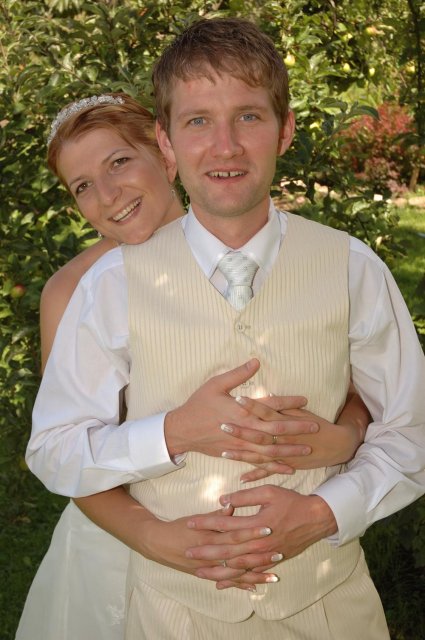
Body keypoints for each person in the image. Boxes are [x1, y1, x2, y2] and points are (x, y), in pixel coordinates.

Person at [25, 16, 425, 638]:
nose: (226, 146)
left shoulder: (352, 269)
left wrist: (326, 511)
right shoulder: (108, 287)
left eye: (249, 116)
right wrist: (173, 433)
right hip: (167, 612)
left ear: (285, 129)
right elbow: (56, 448)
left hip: (330, 607)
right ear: (168, 142)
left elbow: (410, 428)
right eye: (197, 121)